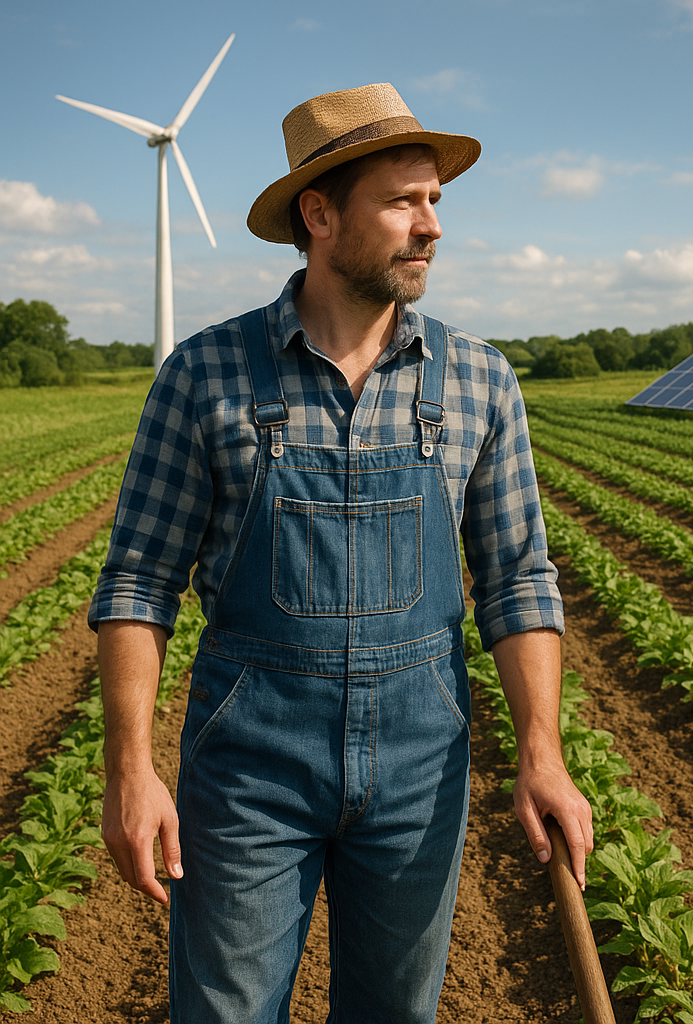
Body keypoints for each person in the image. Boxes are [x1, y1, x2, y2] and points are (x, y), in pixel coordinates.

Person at [89, 82, 593, 1023]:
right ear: (319, 216)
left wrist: (542, 751)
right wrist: (130, 768)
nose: (431, 226)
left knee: (395, 1013)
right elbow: (138, 582)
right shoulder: (204, 375)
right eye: (404, 202)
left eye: (436, 201)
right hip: (250, 765)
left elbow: (520, 579)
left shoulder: (480, 377)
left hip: (420, 761)